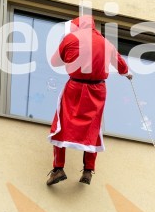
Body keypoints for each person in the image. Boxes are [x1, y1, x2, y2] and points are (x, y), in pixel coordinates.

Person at [46, 15, 131, 186]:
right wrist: (127, 73)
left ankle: (58, 168)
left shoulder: (70, 38)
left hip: (75, 87)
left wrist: (69, 52)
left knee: (61, 123)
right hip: (97, 89)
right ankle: (88, 170)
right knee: (93, 126)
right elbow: (121, 64)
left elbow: (55, 62)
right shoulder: (106, 43)